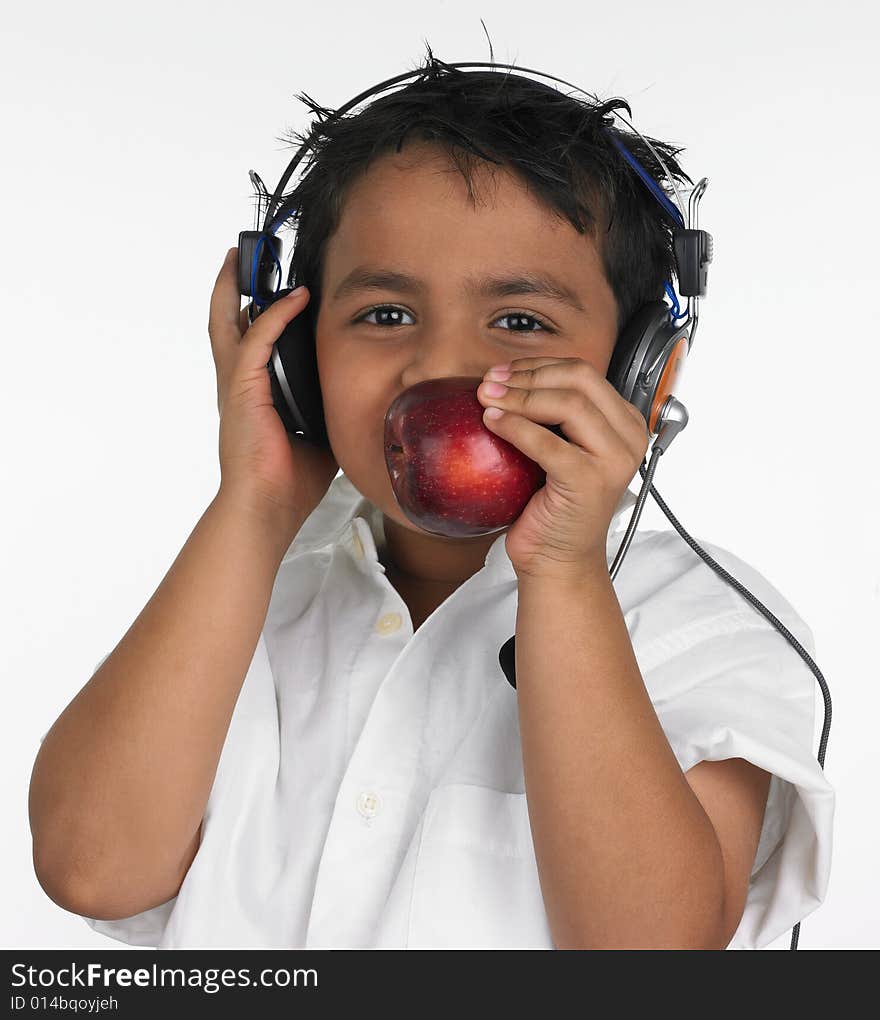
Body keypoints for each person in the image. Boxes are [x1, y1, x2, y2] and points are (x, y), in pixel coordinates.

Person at [29, 52, 834, 949]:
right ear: (296, 358)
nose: (440, 366)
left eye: (521, 322)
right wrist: (254, 502)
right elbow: (91, 870)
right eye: (384, 314)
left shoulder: (700, 624)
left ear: (641, 372)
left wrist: (564, 573)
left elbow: (647, 955)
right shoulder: (240, 600)